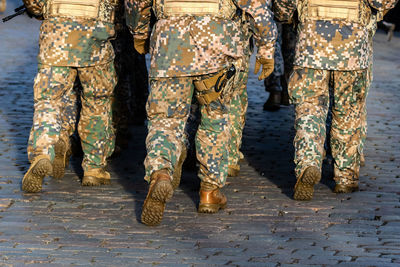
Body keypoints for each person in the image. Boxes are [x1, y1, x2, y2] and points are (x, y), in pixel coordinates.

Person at [126, 0, 277, 225]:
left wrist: (139, 33)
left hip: (170, 43)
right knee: (215, 117)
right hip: (218, 43)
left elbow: (136, 2)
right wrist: (266, 49)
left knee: (165, 120)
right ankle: (209, 190)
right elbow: (257, 7)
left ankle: (161, 172)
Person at [274, 0, 398, 200]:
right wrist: (374, 15)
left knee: (309, 109)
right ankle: (346, 177)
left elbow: (283, 6)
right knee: (348, 111)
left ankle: (308, 162)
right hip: (353, 46)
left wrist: (288, 16)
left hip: (311, 45)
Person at [22, 0, 118, 192]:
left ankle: (42, 153)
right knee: (96, 101)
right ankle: (93, 167)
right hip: (96, 28)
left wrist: (40, 10)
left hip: (56, 29)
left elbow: (33, 2)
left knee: (48, 99)